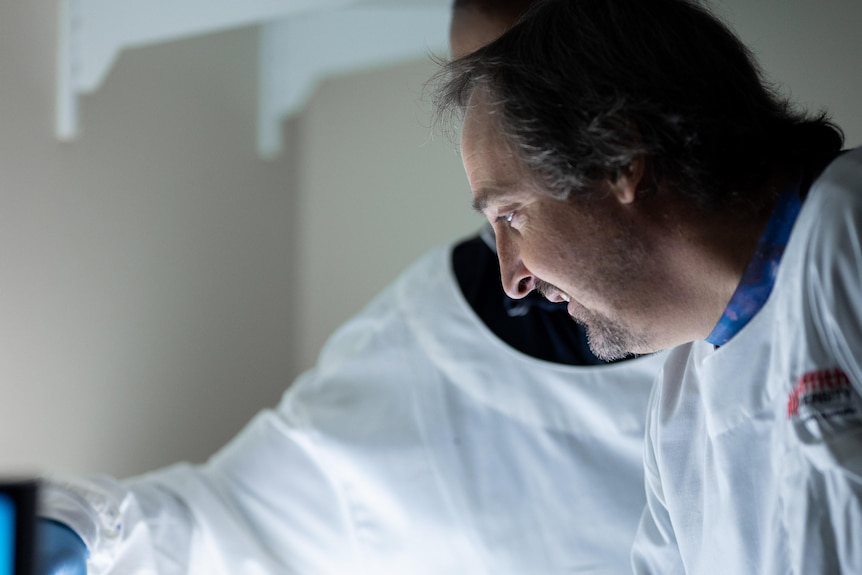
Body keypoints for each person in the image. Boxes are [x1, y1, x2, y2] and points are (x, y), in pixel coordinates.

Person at [34, 1, 667, 573]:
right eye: (472, 87)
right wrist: (71, 530)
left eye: (532, 88)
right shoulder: (426, 342)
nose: (497, 117)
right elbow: (226, 516)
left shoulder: (745, 320)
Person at [434, 0, 861, 572]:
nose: (512, 280)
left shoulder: (847, 230)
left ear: (622, 159)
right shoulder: (679, 404)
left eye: (511, 215)